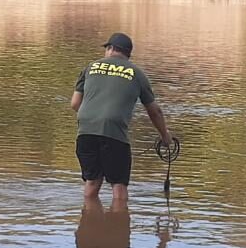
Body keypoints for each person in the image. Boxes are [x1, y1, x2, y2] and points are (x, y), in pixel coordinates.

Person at [71, 32, 171, 205]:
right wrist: (165, 136)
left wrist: (94, 117)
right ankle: (118, 227)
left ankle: (89, 224)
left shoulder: (90, 68)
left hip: (86, 131)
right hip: (115, 133)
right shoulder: (137, 74)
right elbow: (155, 112)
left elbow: (74, 103)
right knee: (118, 185)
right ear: (128, 54)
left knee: (92, 181)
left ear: (110, 49)